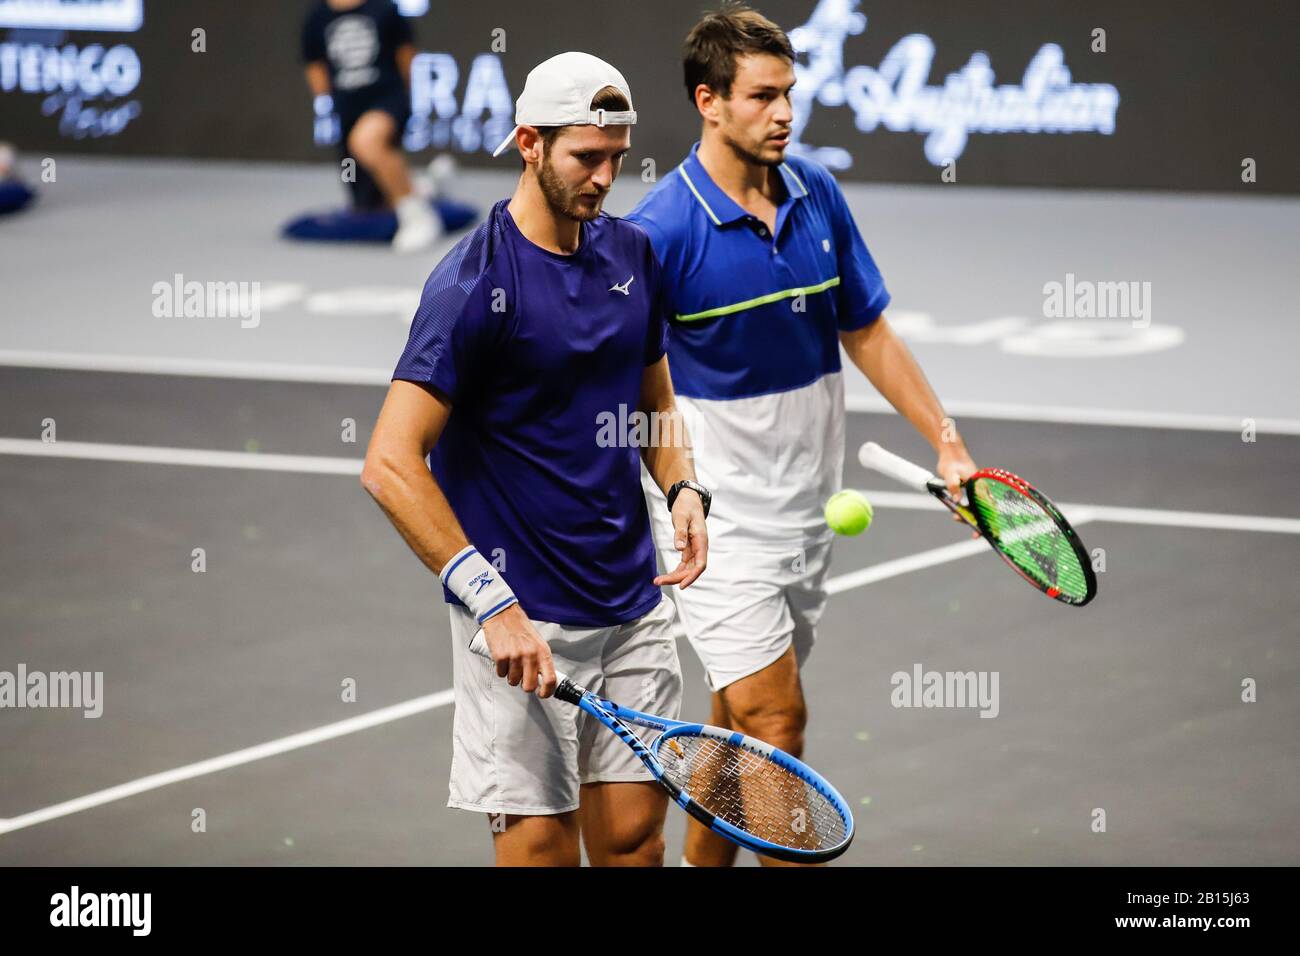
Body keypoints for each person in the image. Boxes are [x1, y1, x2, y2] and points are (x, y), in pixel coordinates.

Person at [626, 4, 979, 867]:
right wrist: (667, 491)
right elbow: (620, 380)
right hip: (712, 518)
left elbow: (866, 330)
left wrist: (947, 440)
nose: (783, 113)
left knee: (735, 715)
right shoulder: (659, 231)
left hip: (806, 505)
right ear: (709, 102)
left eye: (790, 94)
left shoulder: (816, 190)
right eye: (761, 97)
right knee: (776, 718)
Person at [361, 52, 710, 866]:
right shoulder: (471, 285)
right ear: (529, 142)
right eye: (585, 157)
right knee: (540, 854)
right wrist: (492, 602)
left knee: (633, 845)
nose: (604, 177)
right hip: (523, 621)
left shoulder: (632, 255)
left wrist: (683, 487)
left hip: (633, 602)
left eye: (616, 158)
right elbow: (388, 462)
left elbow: (654, 403)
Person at [301, 0, 442, 252]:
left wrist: (395, 104)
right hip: (347, 113)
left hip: (388, 101)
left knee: (366, 141)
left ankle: (419, 217)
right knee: (368, 204)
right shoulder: (316, 19)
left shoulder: (385, 10)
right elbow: (318, 79)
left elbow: (407, 59)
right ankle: (424, 186)